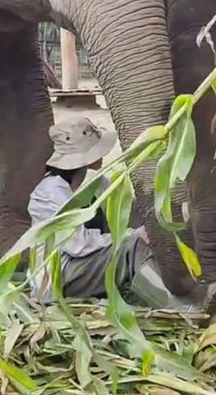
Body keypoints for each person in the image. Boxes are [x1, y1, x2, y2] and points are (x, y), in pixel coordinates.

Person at [27, 117, 152, 301]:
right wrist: (131, 235)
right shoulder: (50, 193)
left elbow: (126, 210)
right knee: (135, 246)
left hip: (80, 267)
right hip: (57, 277)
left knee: (146, 240)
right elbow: (77, 245)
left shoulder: (94, 182)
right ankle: (177, 305)